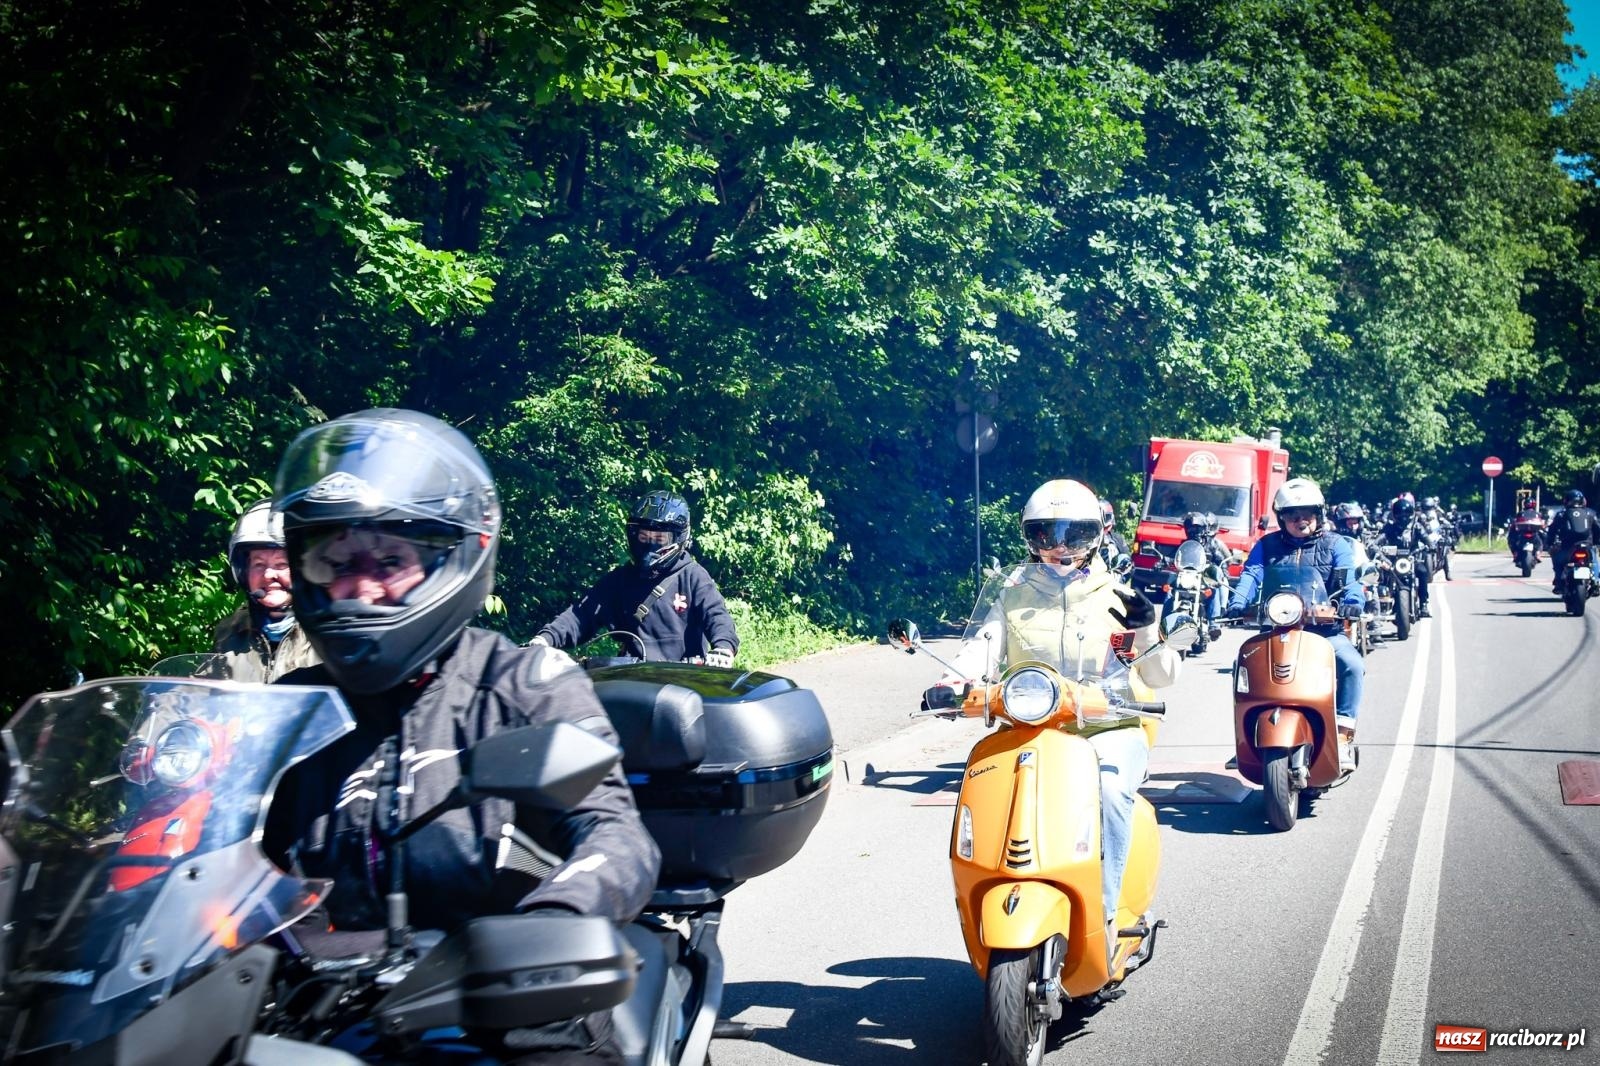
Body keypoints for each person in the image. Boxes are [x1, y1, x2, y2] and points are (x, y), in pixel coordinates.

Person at [262, 409, 661, 1061]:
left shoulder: (524, 683)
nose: (359, 588)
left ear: (454, 557)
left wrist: (557, 919)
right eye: (335, 562)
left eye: (388, 561)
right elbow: (214, 850)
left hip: (505, 999)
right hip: (315, 1003)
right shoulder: (292, 710)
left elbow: (616, 832)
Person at [922, 479, 1181, 967]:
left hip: (1107, 729)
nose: (1060, 547)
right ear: (1030, 538)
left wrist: (1148, 630)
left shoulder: (1119, 595)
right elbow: (982, 646)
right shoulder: (1012, 595)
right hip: (1029, 729)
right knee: (986, 788)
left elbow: (1159, 676)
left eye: (1074, 534)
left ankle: (1104, 915)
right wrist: (951, 681)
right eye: (1046, 534)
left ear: (1096, 537)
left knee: (1110, 792)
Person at [1226, 478, 1365, 771]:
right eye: (1292, 515)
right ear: (1281, 518)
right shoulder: (1267, 545)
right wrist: (1237, 602)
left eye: (1307, 514)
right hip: (1275, 630)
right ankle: (1244, 739)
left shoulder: (1336, 545)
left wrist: (1352, 602)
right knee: (1243, 665)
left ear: (1319, 514)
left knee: (1352, 665)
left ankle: (1342, 734)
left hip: (1323, 632)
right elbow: (1251, 574)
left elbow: (1349, 581)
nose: (1300, 520)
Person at [529, 491, 738, 665]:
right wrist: (545, 639)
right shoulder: (620, 579)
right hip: (633, 679)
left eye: (659, 539)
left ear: (679, 538)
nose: (651, 545)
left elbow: (716, 614)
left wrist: (723, 648)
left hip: (682, 678)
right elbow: (582, 614)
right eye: (644, 537)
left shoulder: (693, 575)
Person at [211, 499, 319, 681]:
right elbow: (204, 688)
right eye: (258, 564)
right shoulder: (230, 632)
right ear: (244, 571)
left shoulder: (327, 634)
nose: (268, 574)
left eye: (281, 564)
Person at [1178, 510, 1230, 640]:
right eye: (1191, 528)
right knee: (1170, 591)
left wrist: (1221, 571)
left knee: (1213, 591)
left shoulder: (1211, 544)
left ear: (1203, 529)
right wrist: (1163, 561)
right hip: (1187, 576)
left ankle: (1213, 624)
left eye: (1197, 528)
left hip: (1203, 577)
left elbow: (1220, 560)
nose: (1193, 531)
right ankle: (1165, 623)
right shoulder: (1185, 544)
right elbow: (1175, 556)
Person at [1380, 492, 1432, 618]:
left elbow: (1426, 538)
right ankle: (1383, 602)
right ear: (1395, 515)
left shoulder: (1416, 526)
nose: (1403, 517)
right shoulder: (1390, 527)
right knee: (1382, 573)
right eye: (1400, 514)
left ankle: (1423, 604)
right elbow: (1379, 539)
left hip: (1412, 559)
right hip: (1393, 561)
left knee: (1423, 572)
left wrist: (1430, 545)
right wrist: (1375, 547)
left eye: (1406, 514)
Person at [1548, 489, 1599, 594]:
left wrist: (1550, 543)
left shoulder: (1561, 514)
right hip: (1587, 545)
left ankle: (1558, 581)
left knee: (1557, 559)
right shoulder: (1590, 513)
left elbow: (1552, 530)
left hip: (1568, 546)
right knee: (1594, 560)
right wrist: (1596, 542)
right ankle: (1596, 581)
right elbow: (1597, 529)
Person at [1098, 496, 1131, 570]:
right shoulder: (1085, 538)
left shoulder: (1117, 539)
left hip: (1111, 575)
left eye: (1105, 517)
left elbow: (1128, 563)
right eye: (1099, 517)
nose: (1101, 521)